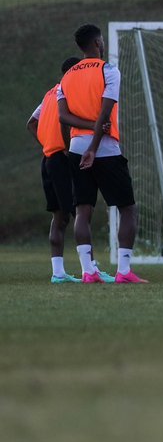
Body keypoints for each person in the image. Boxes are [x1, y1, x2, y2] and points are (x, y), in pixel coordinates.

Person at [58, 23, 145, 284]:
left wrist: (84, 142)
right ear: (97, 43)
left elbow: (63, 116)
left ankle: (88, 272)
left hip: (75, 147)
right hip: (104, 149)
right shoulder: (108, 70)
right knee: (127, 208)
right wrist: (94, 147)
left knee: (82, 210)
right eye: (102, 41)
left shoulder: (68, 75)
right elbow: (104, 113)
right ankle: (124, 271)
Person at [27, 56, 83, 283]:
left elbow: (31, 123)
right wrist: (68, 149)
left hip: (48, 158)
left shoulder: (50, 93)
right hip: (61, 158)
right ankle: (90, 268)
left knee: (59, 217)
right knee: (79, 211)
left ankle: (58, 272)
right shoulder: (69, 92)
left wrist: (46, 143)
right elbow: (63, 121)